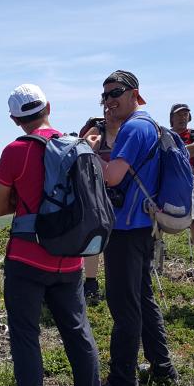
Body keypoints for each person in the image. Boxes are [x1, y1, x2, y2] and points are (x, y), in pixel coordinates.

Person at [0, 84, 111, 386]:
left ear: (15, 119)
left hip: (27, 257)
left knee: (26, 339)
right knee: (78, 334)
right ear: (49, 108)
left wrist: (27, 203)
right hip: (70, 257)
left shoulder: (16, 150)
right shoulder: (76, 145)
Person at [98, 71, 194, 386]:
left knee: (124, 305)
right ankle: (162, 367)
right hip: (142, 226)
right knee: (142, 298)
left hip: (126, 227)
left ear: (135, 93)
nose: (109, 100)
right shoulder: (149, 124)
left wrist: (92, 150)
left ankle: (122, 380)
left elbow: (111, 177)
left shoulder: (132, 128)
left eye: (115, 92)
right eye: (105, 95)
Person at [78, 114, 119, 305]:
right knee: (96, 236)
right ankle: (91, 283)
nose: (110, 112)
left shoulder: (129, 131)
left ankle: (104, 284)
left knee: (115, 241)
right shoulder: (96, 131)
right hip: (99, 194)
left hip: (122, 196)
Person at [170, 103, 194, 277]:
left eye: (185, 114)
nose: (182, 117)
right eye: (179, 114)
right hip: (169, 184)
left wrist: (193, 172)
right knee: (159, 220)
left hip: (192, 185)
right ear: (172, 117)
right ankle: (155, 260)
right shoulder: (166, 136)